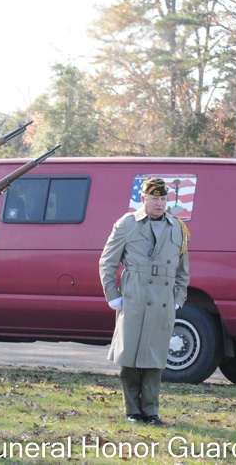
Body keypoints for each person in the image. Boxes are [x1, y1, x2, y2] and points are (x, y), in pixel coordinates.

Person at [98, 177, 190, 426]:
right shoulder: (127, 224)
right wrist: (113, 296)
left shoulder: (177, 228)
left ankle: (151, 411)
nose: (160, 204)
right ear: (143, 199)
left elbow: (183, 271)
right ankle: (132, 411)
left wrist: (178, 299)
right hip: (134, 298)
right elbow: (107, 262)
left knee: (155, 359)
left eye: (163, 199)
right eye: (154, 199)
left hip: (162, 300)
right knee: (129, 357)